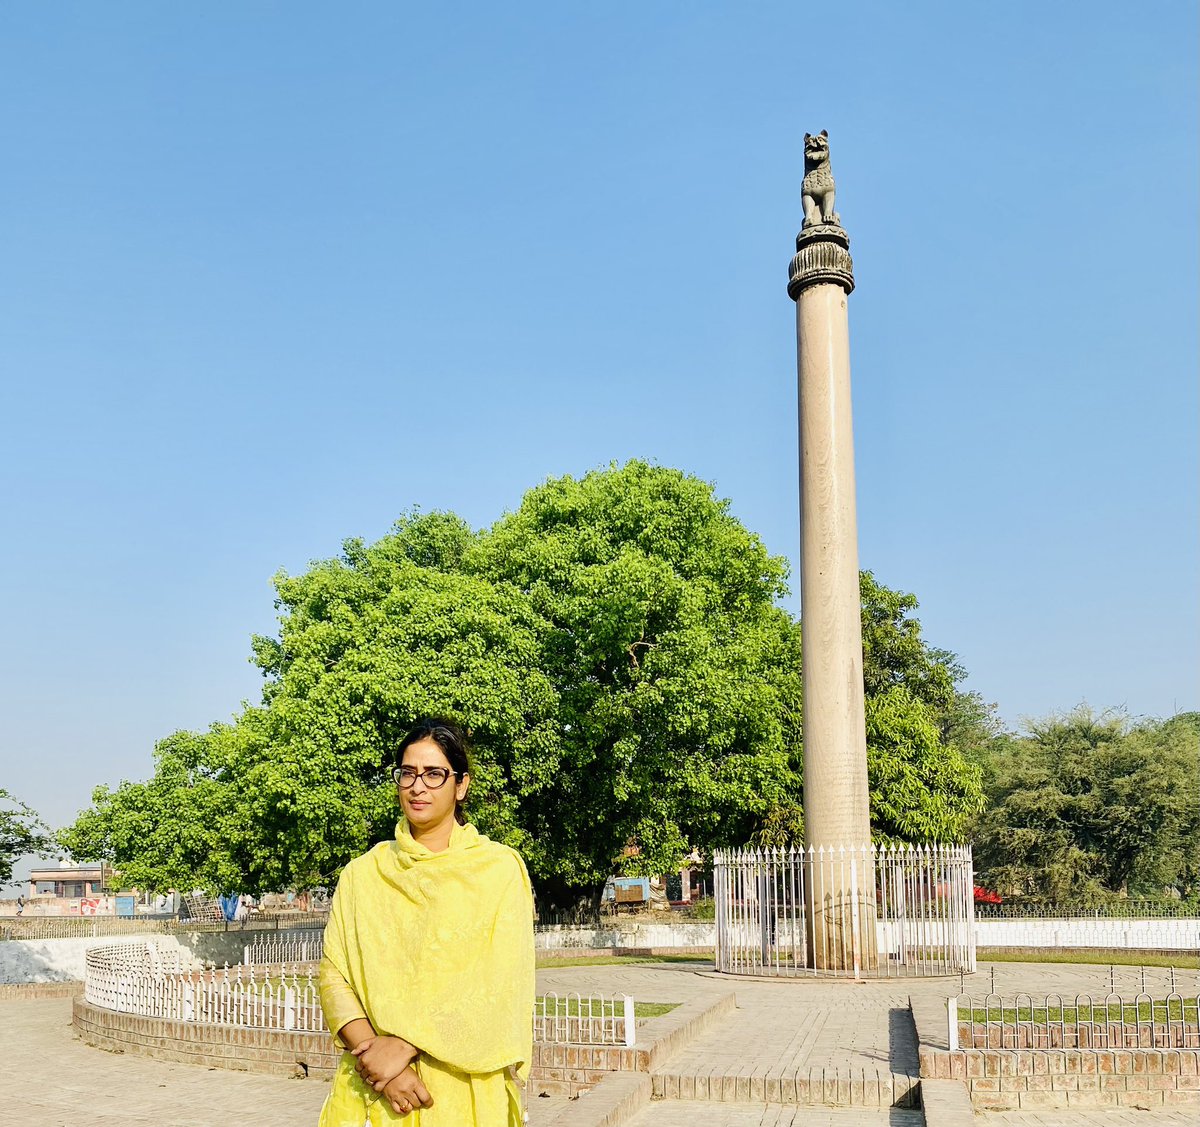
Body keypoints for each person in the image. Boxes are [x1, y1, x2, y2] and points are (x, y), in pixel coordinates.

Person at [317, 718, 535, 1126]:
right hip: (374, 1090)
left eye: (435, 774)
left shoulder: (497, 872)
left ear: (461, 785)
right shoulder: (364, 875)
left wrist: (403, 1045)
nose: (419, 787)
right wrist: (382, 1064)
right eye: (408, 773)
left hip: (463, 1092)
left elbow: (500, 986)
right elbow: (334, 975)